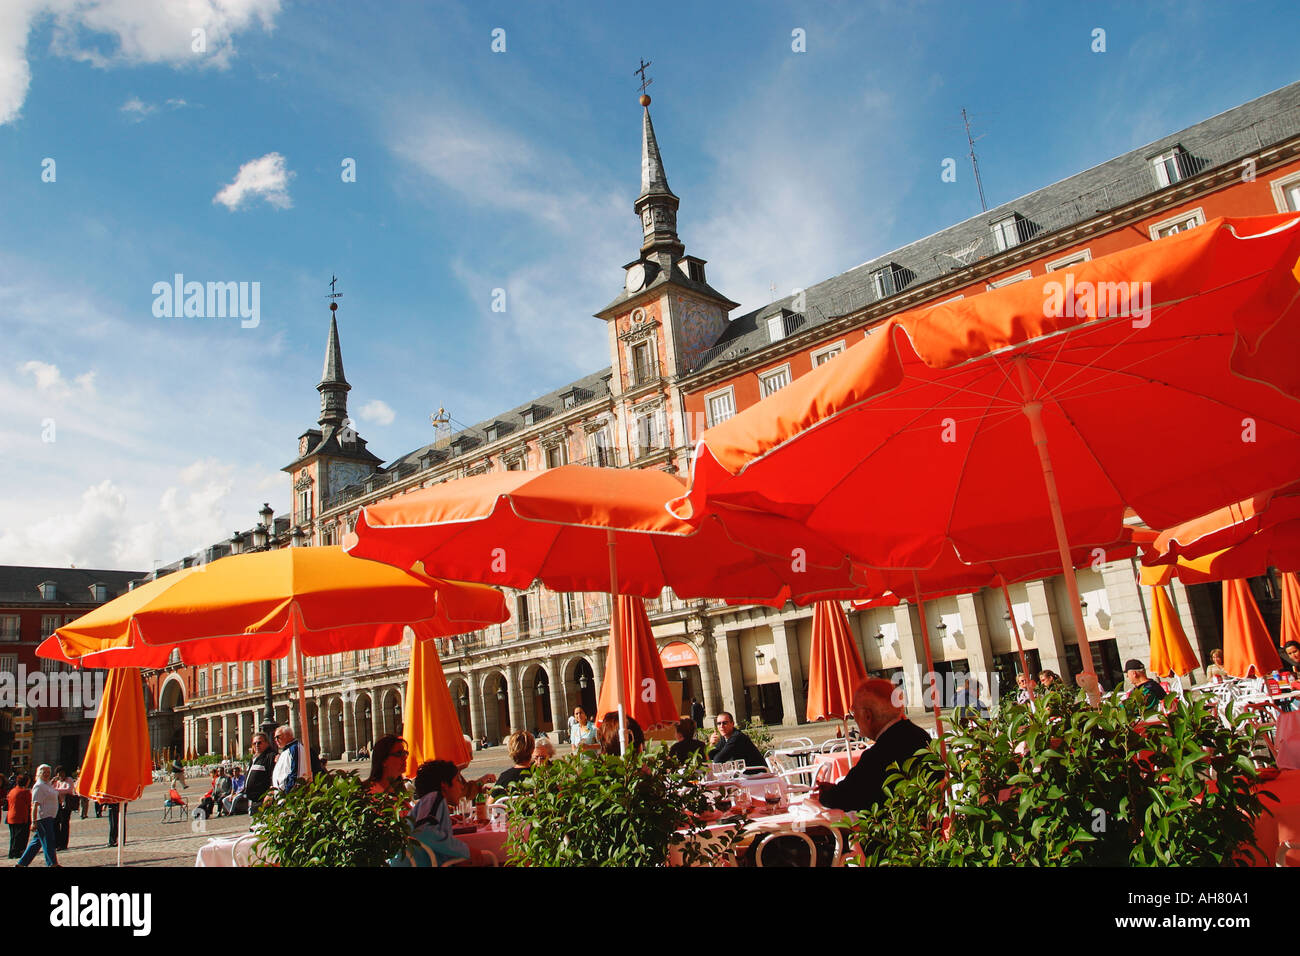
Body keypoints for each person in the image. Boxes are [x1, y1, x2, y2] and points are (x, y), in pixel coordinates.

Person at [815, 679, 932, 812]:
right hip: (928, 826)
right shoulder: (921, 736)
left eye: (854, 712)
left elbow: (845, 797)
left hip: (896, 828)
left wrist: (825, 795)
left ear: (867, 716)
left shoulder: (880, 754)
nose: (855, 719)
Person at [408, 761, 492, 866]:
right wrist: (467, 851)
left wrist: (444, 822)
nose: (462, 787)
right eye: (458, 780)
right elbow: (423, 830)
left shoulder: (429, 801)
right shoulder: (434, 798)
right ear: (444, 785)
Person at [16, 764, 60, 867]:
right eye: (44, 772)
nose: (46, 774)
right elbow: (35, 805)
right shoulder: (39, 786)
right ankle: (52, 864)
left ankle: (21, 864)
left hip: (49, 816)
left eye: (48, 772)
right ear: (39, 773)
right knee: (48, 840)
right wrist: (33, 821)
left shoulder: (46, 784)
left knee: (37, 842)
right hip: (43, 817)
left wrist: (52, 782)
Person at [226, 732, 274, 814]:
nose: (256, 745)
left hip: (263, 800)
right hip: (253, 801)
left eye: (259, 742)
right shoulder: (254, 758)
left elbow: (273, 777)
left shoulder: (270, 756)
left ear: (266, 743)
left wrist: (270, 793)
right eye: (254, 743)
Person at [271, 724, 311, 794]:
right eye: (274, 738)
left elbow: (297, 774)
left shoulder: (295, 748)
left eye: (278, 737)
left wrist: (287, 793)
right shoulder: (286, 750)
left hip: (289, 796)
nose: (276, 740)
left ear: (288, 735)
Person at [493, 731, 535, 798]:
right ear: (533, 749)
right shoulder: (539, 775)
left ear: (510, 749)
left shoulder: (505, 778)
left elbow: (490, 805)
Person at [7, 773, 31, 859]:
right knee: (21, 837)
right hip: (21, 817)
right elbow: (30, 803)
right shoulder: (25, 792)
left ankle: (12, 852)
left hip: (11, 817)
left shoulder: (12, 791)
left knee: (13, 836)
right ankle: (17, 853)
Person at [52, 766, 73, 850]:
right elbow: (49, 788)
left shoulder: (69, 780)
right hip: (57, 805)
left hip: (66, 805)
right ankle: (57, 842)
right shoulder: (56, 781)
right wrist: (52, 782)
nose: (61, 775)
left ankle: (63, 844)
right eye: (59, 773)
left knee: (64, 824)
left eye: (62, 773)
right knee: (55, 823)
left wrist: (56, 791)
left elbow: (68, 789)